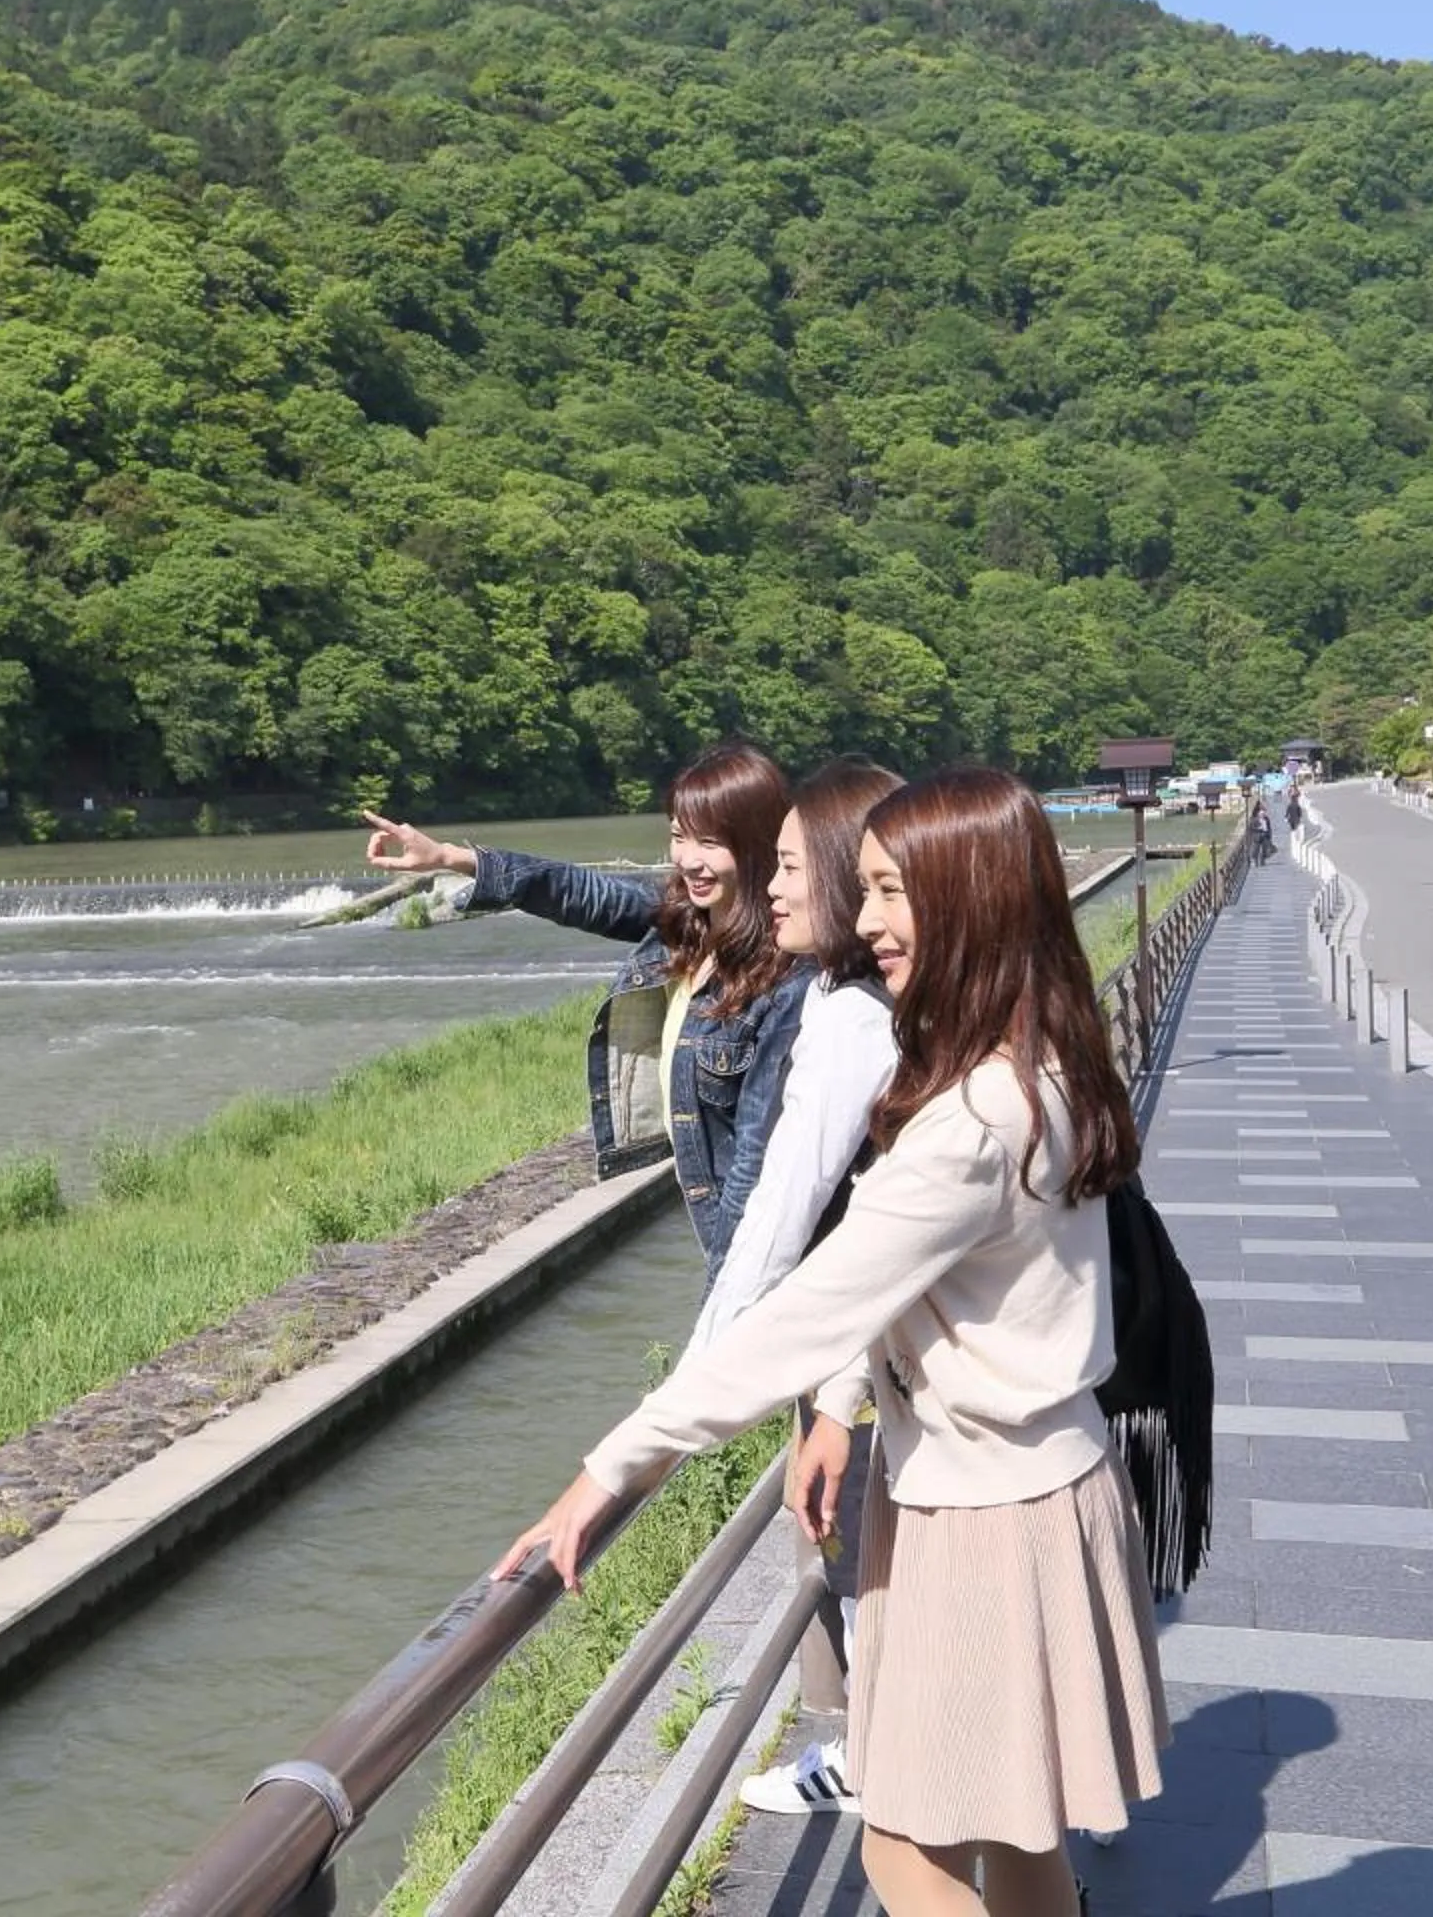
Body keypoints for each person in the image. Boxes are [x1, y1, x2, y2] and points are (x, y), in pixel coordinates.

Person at [496, 766, 1168, 1917]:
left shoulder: (970, 1122)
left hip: (982, 1520)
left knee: (902, 1853)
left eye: (892, 893)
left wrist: (609, 1469)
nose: (866, 923)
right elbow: (903, 1281)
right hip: (1042, 1481)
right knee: (1016, 1837)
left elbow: (809, 1306)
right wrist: (847, 1398)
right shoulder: (1035, 1061)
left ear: (970, 900)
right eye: (861, 890)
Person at [361, 744, 808, 1291]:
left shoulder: (785, 979)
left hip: (763, 1259)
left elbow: (755, 1165)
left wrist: (728, 1291)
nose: (688, 859)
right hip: (726, 1240)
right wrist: (455, 859)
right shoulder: (688, 926)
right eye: (677, 835)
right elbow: (579, 892)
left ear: (759, 844)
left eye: (710, 843)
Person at [692, 756, 906, 1819]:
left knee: (869, 1549)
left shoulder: (857, 1016)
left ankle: (885, 1765)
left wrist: (689, 1391)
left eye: (785, 867)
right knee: (870, 1547)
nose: (769, 889)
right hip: (866, 1350)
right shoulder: (851, 994)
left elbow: (783, 1206)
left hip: (872, 1350)